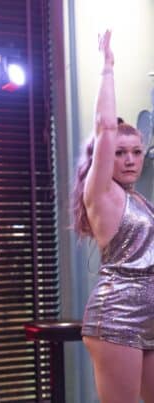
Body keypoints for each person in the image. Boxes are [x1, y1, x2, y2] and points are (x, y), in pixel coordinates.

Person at [72, 29, 154, 403]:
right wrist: (107, 68)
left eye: (136, 152)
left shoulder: (140, 200)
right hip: (117, 312)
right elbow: (105, 127)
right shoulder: (102, 191)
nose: (130, 160)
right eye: (120, 153)